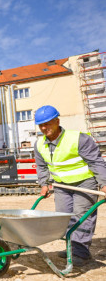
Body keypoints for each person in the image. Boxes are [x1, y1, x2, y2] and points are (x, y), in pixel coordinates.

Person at [34, 105, 106, 266]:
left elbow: (96, 162)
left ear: (57, 121)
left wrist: (104, 184)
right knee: (64, 217)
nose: (44, 128)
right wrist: (44, 184)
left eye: (48, 123)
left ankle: (81, 252)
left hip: (84, 183)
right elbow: (42, 166)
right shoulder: (39, 144)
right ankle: (71, 247)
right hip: (61, 185)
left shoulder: (78, 138)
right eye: (41, 125)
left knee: (82, 215)